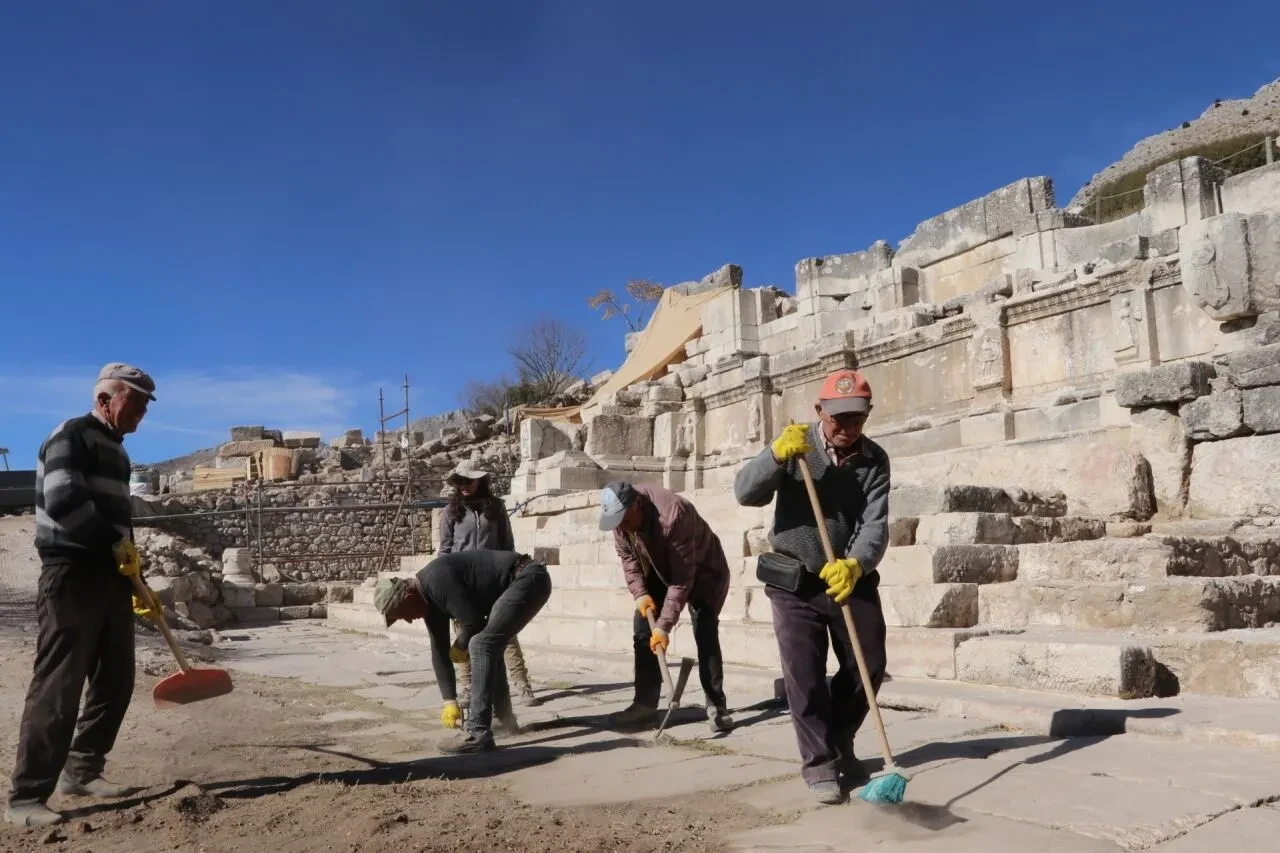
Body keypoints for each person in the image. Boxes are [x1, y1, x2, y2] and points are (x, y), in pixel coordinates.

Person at [6, 363, 157, 828]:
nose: (142, 414)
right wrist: (113, 545)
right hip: (71, 573)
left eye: (146, 406)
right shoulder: (71, 435)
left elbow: (118, 521)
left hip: (112, 576)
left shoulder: (118, 451)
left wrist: (134, 571)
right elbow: (63, 500)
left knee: (116, 679)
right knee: (60, 685)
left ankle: (83, 770)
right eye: (135, 402)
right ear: (105, 399)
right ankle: (26, 798)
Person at [732, 368, 890, 806]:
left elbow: (874, 524)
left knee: (869, 665)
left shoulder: (875, 460)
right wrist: (774, 456)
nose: (846, 427)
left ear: (867, 414)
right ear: (820, 410)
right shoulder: (796, 446)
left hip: (846, 577)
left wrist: (856, 563)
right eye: (838, 418)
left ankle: (839, 739)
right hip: (794, 580)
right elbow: (745, 492)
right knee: (804, 676)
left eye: (856, 418)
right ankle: (819, 764)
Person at [374, 549, 551, 755]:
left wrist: (460, 645)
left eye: (402, 614)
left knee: (480, 644)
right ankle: (504, 719)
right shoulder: (430, 602)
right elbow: (439, 652)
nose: (408, 620)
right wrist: (449, 701)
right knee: (489, 644)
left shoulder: (437, 580)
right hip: (522, 581)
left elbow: (473, 623)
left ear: (409, 596)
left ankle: (477, 732)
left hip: (528, 579)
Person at [599, 481, 733, 734]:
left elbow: (682, 580)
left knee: (705, 630)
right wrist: (640, 594)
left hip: (704, 572)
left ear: (637, 504)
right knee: (642, 626)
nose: (621, 527)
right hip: (659, 569)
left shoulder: (672, 516)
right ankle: (644, 704)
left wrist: (664, 627)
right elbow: (628, 558)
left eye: (624, 521)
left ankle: (717, 706)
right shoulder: (620, 520)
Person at [438, 462, 537, 707]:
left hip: (494, 579)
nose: (463, 485)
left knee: (506, 631)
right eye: (459, 481)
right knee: (463, 634)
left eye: (468, 480)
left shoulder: (496, 507)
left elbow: (507, 545)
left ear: (480, 481)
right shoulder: (450, 512)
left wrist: (509, 576)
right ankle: (467, 687)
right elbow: (445, 550)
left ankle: (521, 684)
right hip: (462, 583)